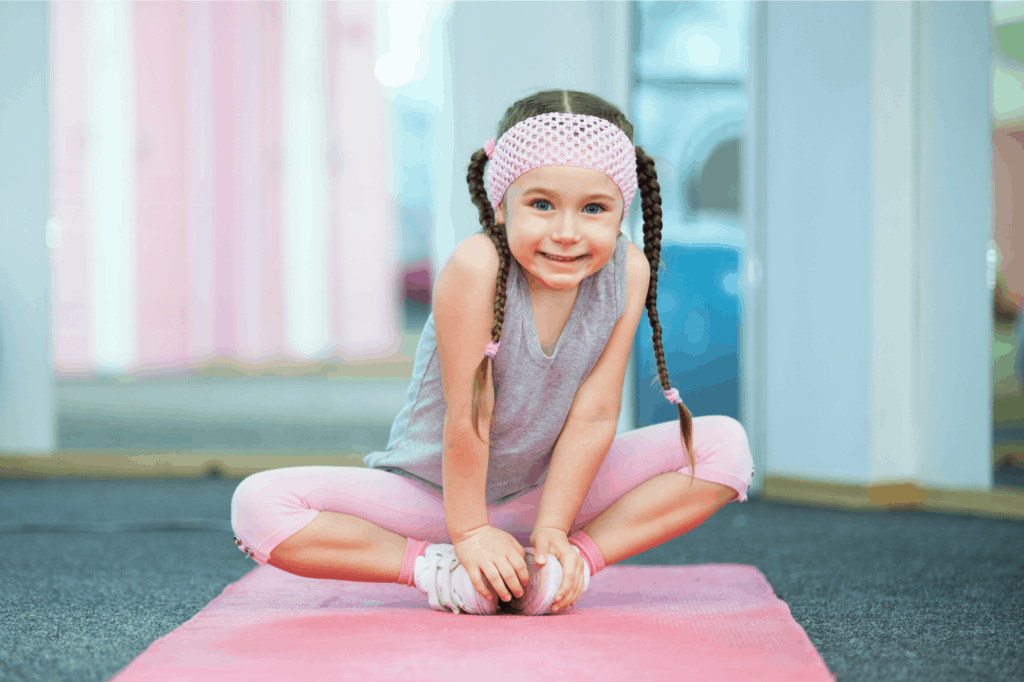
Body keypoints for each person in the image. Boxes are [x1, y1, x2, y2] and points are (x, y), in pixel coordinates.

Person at [230, 89, 754, 617]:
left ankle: (558, 567)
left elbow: (596, 412)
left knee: (723, 448)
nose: (567, 233)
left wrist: (554, 529)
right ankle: (442, 571)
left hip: (547, 494)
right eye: (541, 204)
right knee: (258, 506)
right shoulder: (478, 267)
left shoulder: (629, 269)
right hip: (436, 498)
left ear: (622, 213)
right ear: (501, 205)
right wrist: (471, 532)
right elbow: (468, 416)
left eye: (593, 208)